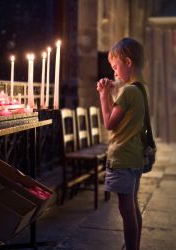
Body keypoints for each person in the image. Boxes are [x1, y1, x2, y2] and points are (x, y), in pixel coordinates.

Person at [97, 37, 149, 250]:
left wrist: (103, 95)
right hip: (135, 156)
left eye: (116, 67)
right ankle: (133, 246)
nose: (114, 73)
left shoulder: (128, 91)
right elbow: (120, 121)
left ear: (128, 63)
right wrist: (110, 95)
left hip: (123, 157)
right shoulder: (141, 88)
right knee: (133, 208)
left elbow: (109, 123)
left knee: (126, 212)